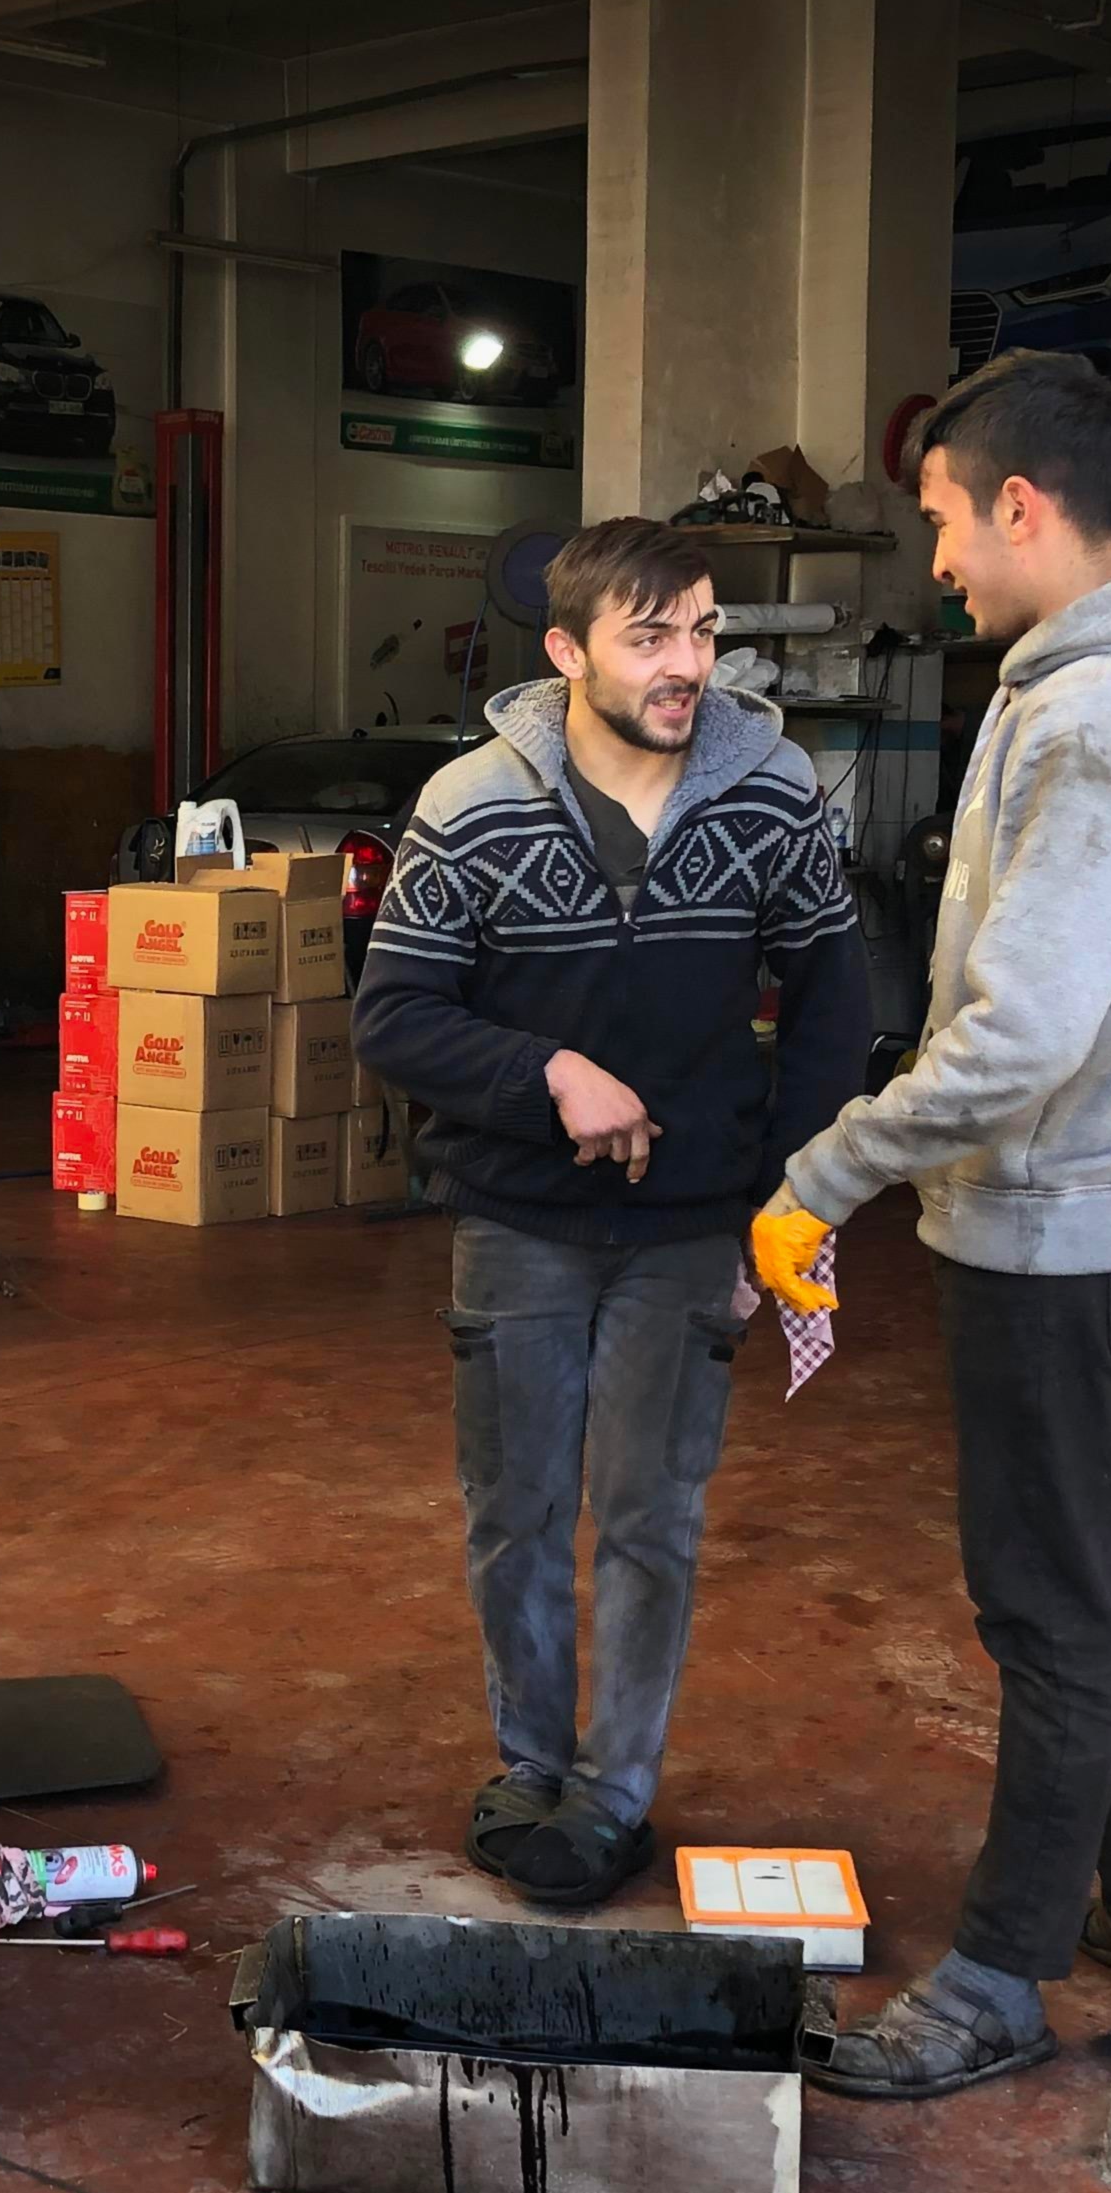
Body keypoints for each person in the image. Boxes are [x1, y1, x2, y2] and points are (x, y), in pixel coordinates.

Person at [750, 349, 1111, 2099]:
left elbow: (1024, 1034)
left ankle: (996, 1976)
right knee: (1069, 1586)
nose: (941, 562)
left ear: (1024, 506)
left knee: (1042, 1613)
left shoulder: (1096, 717)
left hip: (1069, 1228)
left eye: (947, 523)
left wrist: (828, 1171)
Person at [357, 516, 872, 1908]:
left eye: (702, 631)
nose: (686, 662)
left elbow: (834, 1005)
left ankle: (613, 1795)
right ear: (567, 651)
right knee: (515, 1514)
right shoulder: (471, 805)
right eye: (650, 637)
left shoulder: (774, 798)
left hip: (693, 1229)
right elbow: (394, 1014)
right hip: (517, 1221)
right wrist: (550, 1077)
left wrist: (791, 1199)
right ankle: (531, 1765)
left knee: (652, 1521)